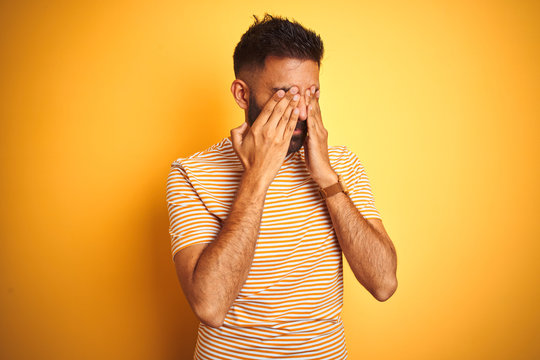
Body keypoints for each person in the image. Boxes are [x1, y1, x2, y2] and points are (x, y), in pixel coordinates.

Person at [166, 13, 398, 360]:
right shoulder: (191, 173)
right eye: (286, 94)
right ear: (243, 94)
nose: (303, 110)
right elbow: (210, 306)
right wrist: (257, 176)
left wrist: (327, 181)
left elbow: (384, 283)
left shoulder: (342, 166)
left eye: (312, 93)